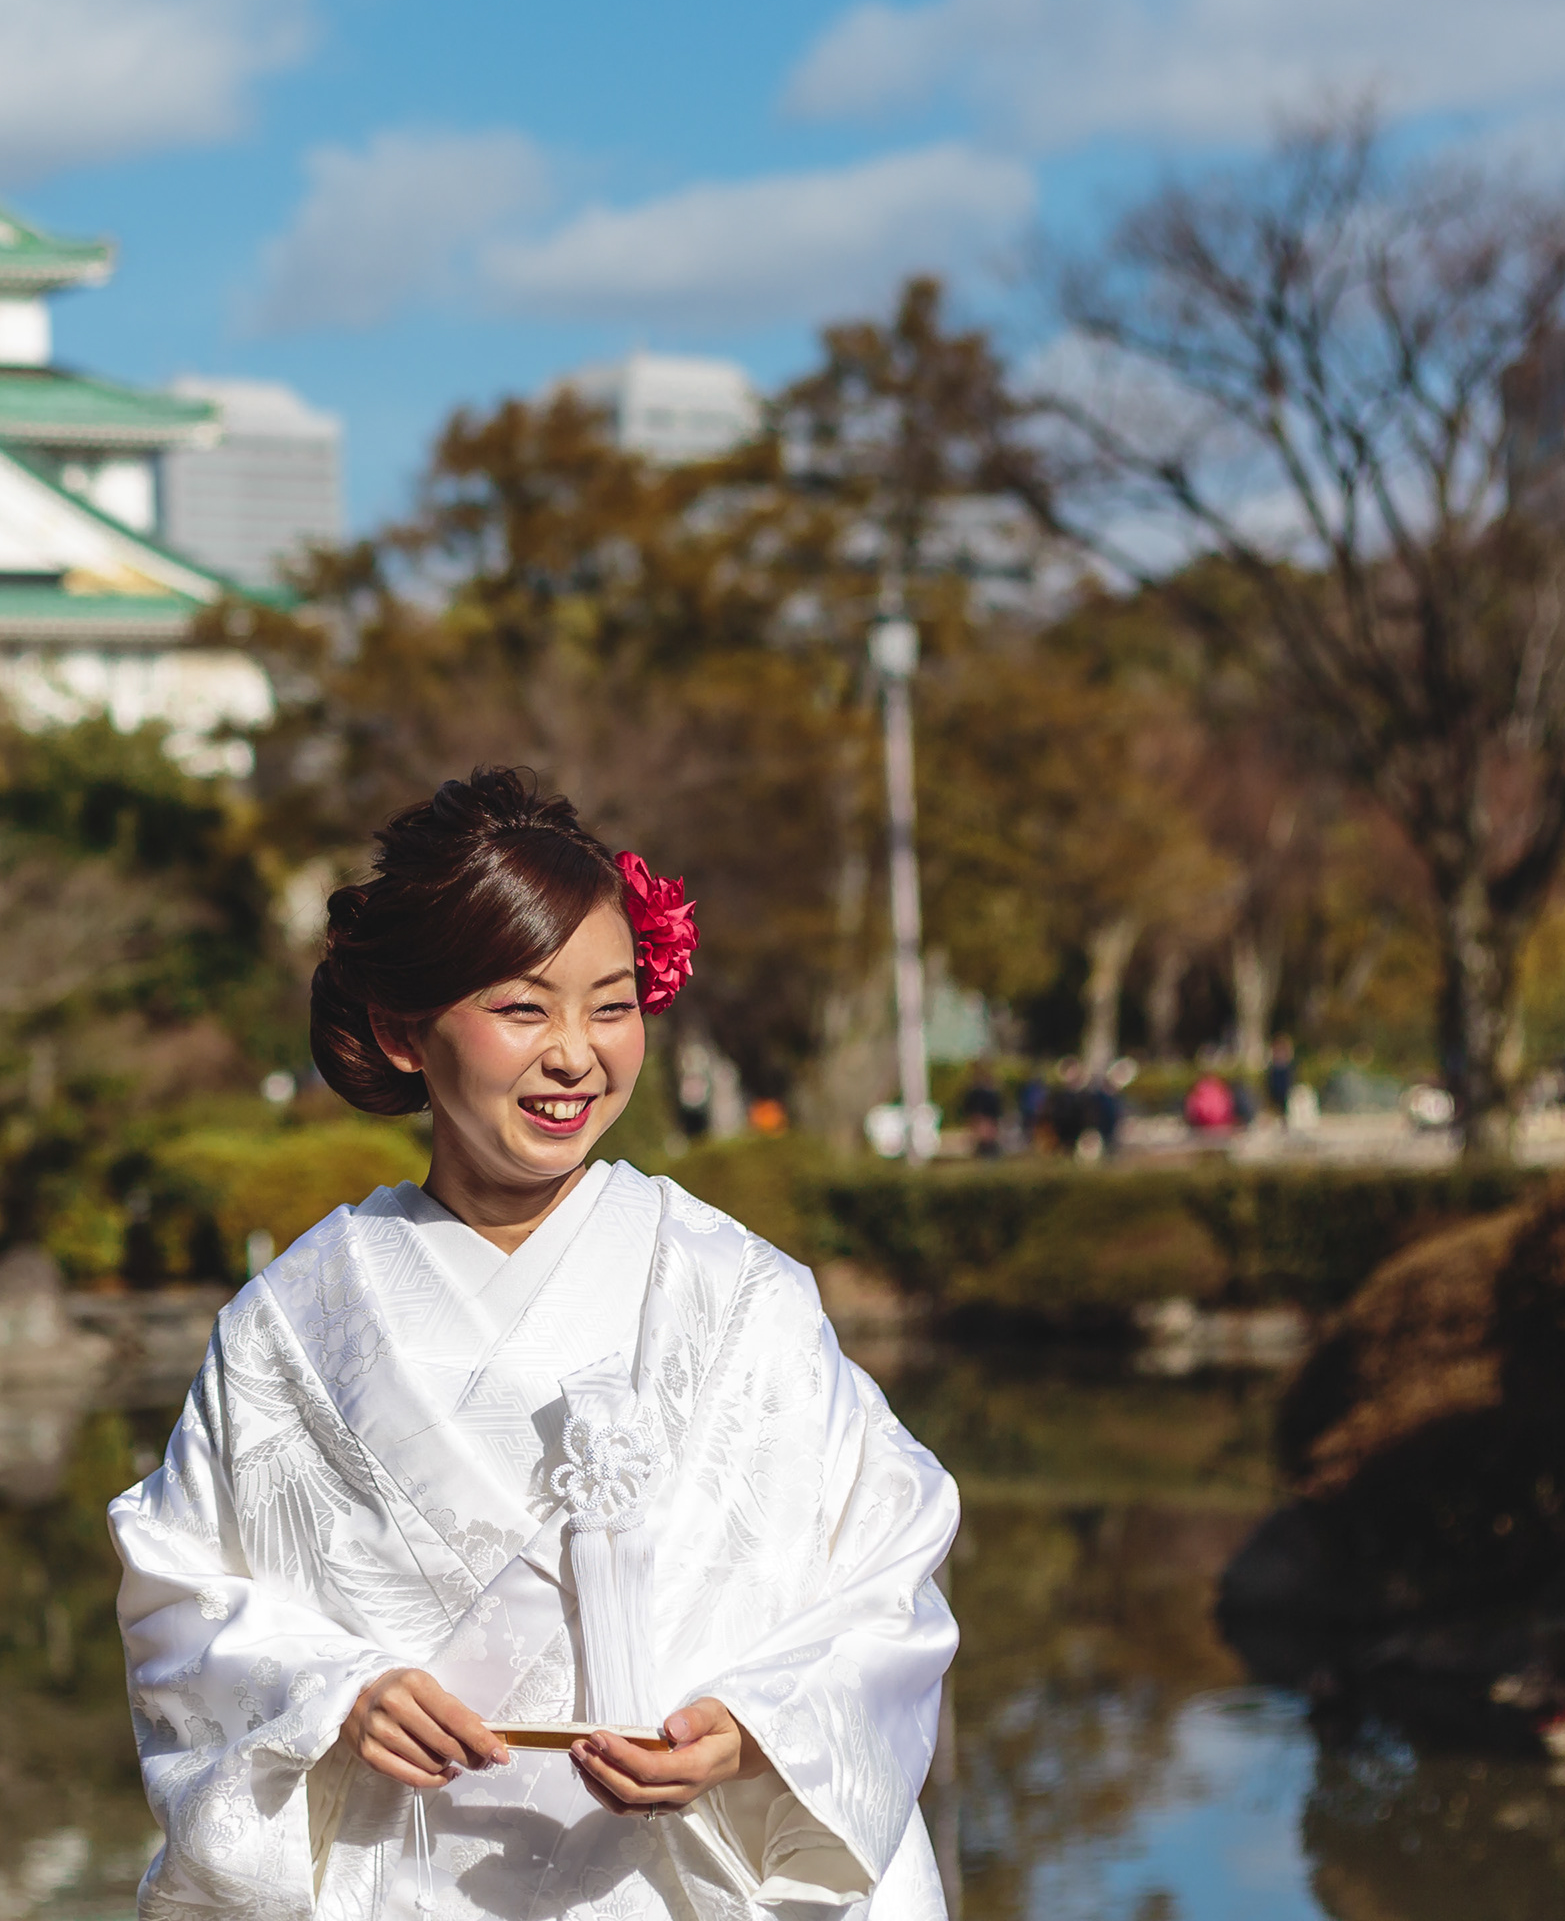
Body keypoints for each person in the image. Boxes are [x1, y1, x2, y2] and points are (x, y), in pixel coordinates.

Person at [110, 769, 959, 1921]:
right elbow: (179, 1592)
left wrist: (756, 1727)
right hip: (410, 1874)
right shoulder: (295, 1325)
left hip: (678, 1881)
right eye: (524, 1008)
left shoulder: (736, 1291)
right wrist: (336, 1693)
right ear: (406, 1031)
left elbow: (884, 1556)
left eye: (612, 1006)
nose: (576, 1054)